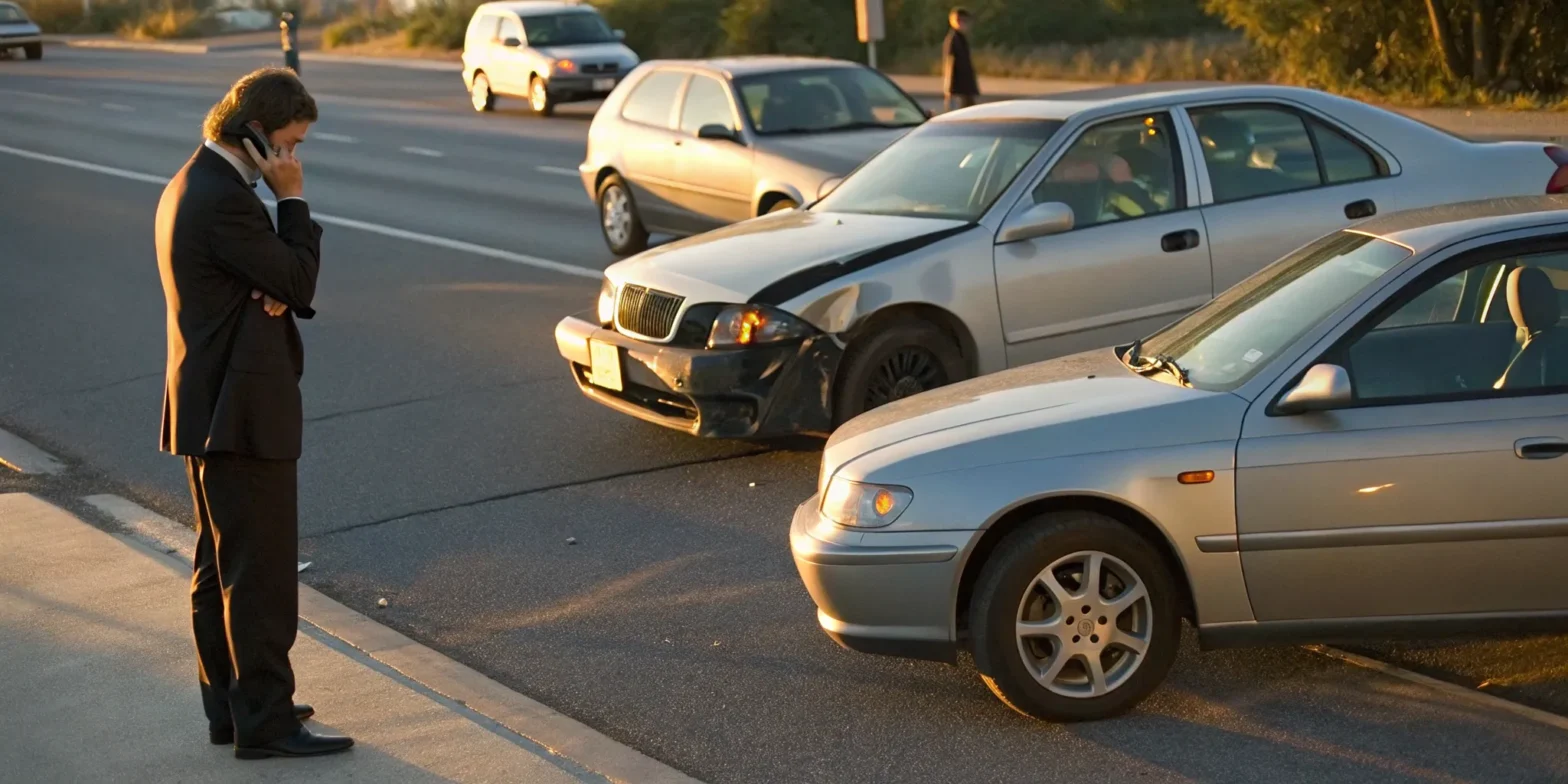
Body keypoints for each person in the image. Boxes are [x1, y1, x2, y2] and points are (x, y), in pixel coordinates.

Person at [154, 67, 352, 760]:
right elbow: (298, 280)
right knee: (259, 578)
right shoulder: (227, 200)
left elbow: (273, 284)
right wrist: (291, 204)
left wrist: (267, 286)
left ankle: (234, 709)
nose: (295, 160)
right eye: (291, 145)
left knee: (221, 570)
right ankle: (266, 724)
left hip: (210, 407)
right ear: (258, 136)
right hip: (239, 416)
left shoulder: (194, 184)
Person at [942, 7, 979, 112]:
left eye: (966, 21)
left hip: (965, 87)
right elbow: (950, 63)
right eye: (962, 21)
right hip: (958, 89)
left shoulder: (962, 39)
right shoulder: (954, 40)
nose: (965, 25)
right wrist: (949, 89)